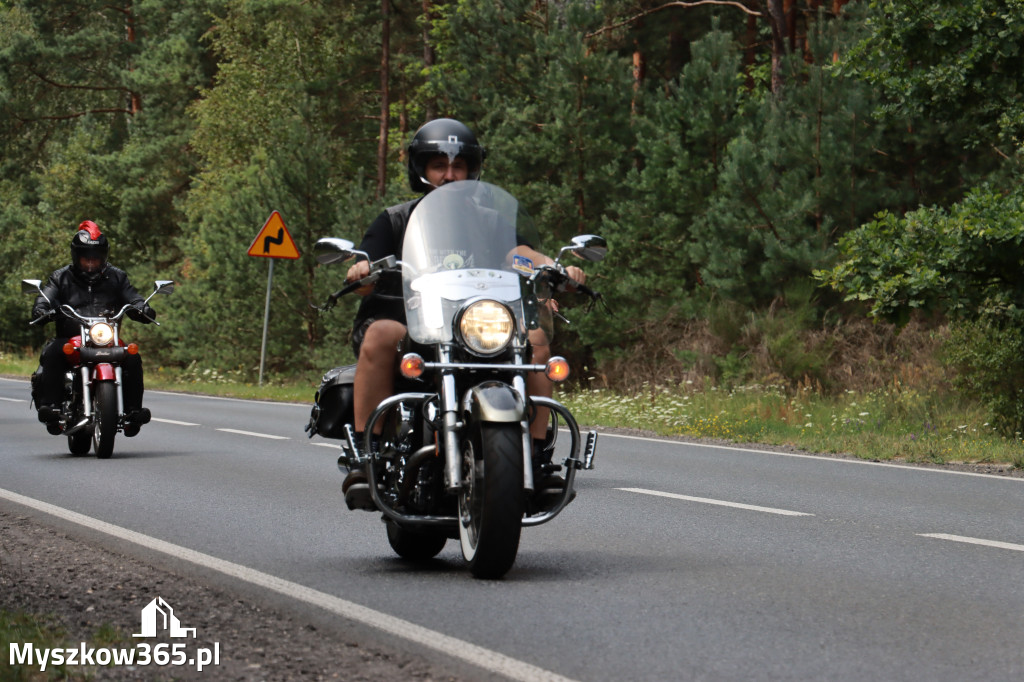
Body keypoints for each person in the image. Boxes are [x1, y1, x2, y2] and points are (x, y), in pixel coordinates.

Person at [342, 118, 586, 494]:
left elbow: (520, 253)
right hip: (410, 321)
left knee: (536, 337)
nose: (449, 175)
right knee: (379, 335)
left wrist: (552, 267)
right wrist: (361, 270)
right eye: (439, 165)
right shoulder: (396, 220)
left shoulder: (492, 222)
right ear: (422, 169)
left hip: (477, 325)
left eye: (458, 166)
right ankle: (366, 454)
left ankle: (537, 455)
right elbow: (364, 270)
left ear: (472, 170)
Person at [31, 221, 155, 437]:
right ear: (76, 256)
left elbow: (132, 296)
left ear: (103, 256)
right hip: (72, 337)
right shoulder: (61, 277)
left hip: (106, 339)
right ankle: (51, 406)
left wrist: (142, 308)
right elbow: (47, 296)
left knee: (132, 356)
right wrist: (43, 309)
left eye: (96, 256)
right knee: (53, 351)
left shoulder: (117, 276)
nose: (91, 262)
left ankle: (133, 411)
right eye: (86, 257)